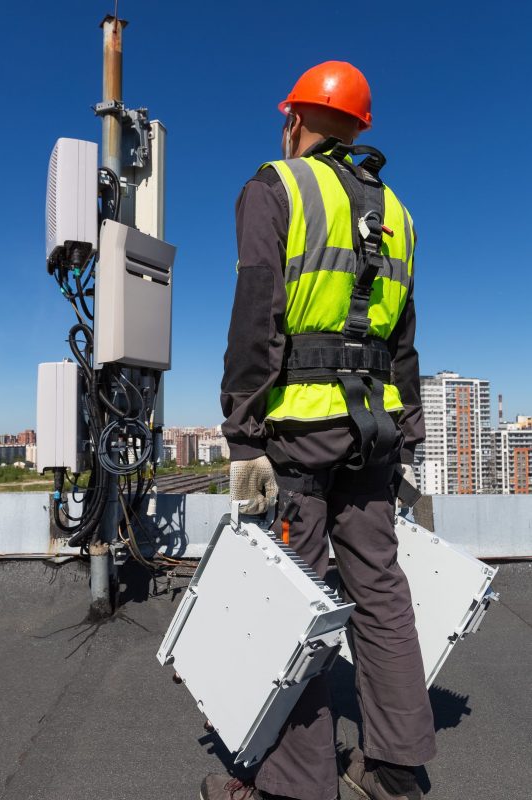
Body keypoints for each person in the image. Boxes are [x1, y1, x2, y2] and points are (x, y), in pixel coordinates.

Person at [201, 62, 436, 800]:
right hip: (376, 433)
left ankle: (295, 788)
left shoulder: (275, 186)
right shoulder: (398, 212)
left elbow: (256, 322)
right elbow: (402, 341)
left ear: (296, 119)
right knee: (380, 588)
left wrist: (243, 435)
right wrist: (411, 434)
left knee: (291, 600)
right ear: (359, 127)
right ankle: (397, 766)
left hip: (297, 438)